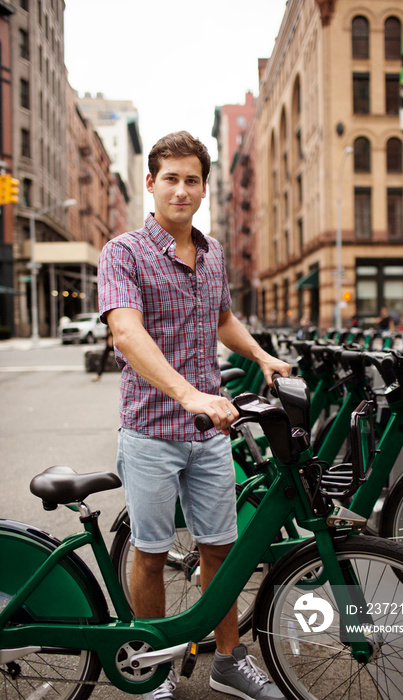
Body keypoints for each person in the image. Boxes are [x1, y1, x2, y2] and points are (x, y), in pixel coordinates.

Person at [98, 131, 289, 700]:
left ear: (204, 189)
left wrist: (259, 355)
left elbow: (222, 316)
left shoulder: (213, 254)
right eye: (171, 178)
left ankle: (229, 661)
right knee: (152, 554)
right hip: (152, 431)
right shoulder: (123, 252)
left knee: (220, 552)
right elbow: (126, 332)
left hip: (210, 433)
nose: (181, 190)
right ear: (150, 183)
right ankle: (154, 669)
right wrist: (187, 394)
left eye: (192, 180)